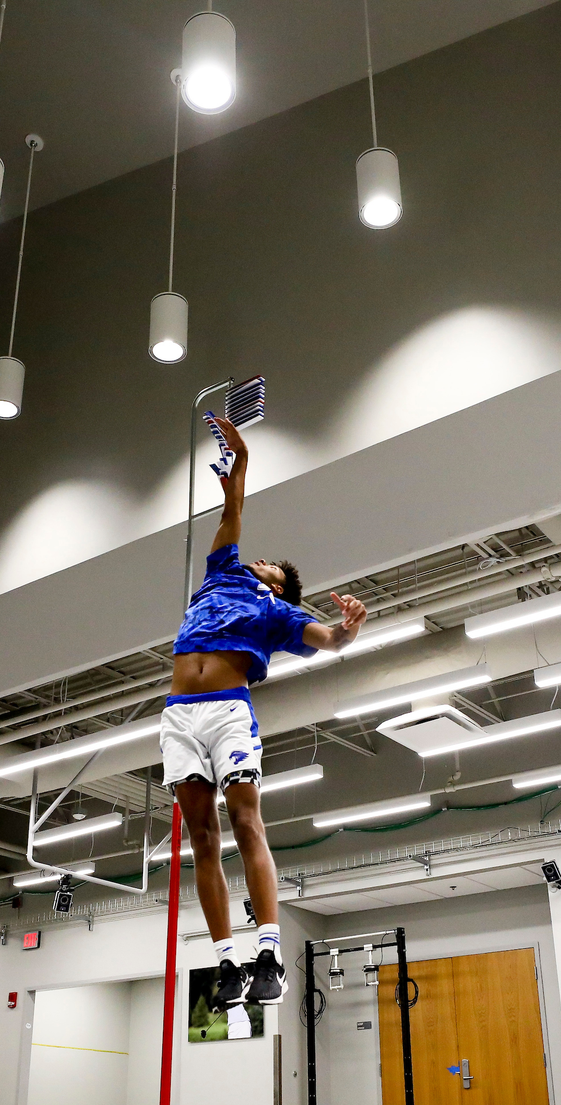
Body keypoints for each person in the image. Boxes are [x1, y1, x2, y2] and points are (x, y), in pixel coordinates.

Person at [162, 417, 367, 1007]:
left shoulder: (278, 616)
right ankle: (227, 962)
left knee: (245, 822)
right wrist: (240, 460)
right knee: (201, 837)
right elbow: (232, 508)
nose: (257, 568)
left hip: (227, 710)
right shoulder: (221, 571)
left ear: (277, 592)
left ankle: (268, 951)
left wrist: (350, 629)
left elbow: (329, 640)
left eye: (269, 573)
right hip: (179, 714)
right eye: (259, 565)